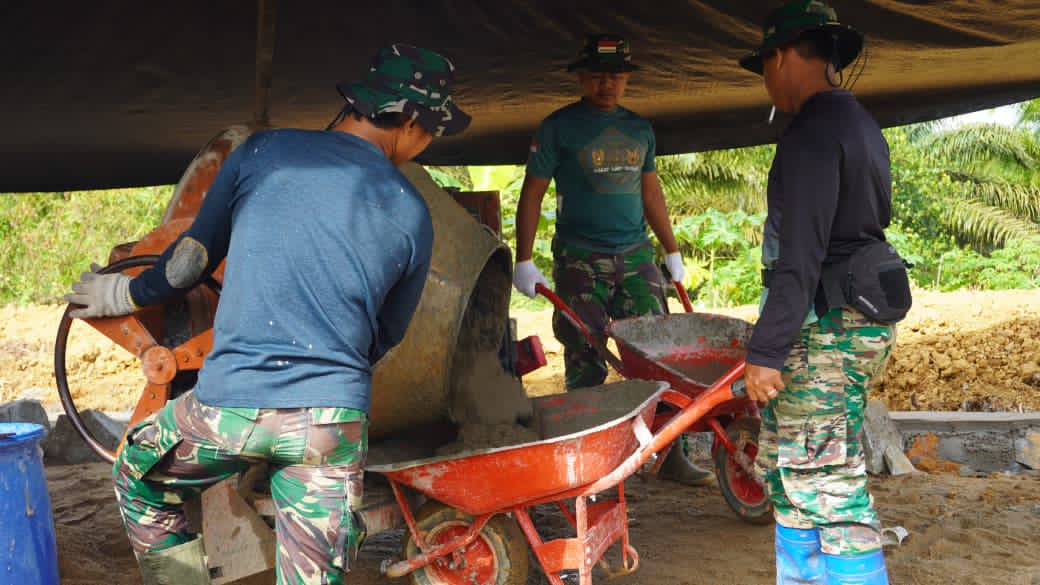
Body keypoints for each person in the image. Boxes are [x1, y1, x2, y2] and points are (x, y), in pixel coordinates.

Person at [63, 44, 470, 585]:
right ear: (412, 121)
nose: (426, 144)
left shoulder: (264, 153)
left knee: (137, 474)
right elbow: (387, 334)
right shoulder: (412, 211)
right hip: (329, 427)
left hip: (227, 411)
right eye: (432, 132)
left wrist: (126, 296)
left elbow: (191, 262)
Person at [739, 2, 908, 583]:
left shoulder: (811, 135)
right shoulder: (861, 124)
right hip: (853, 322)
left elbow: (801, 258)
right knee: (794, 476)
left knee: (829, 485)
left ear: (780, 57)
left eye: (763, 67)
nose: (767, 83)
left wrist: (764, 352)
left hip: (825, 334)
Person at [511, 33, 714, 487]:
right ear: (582, 77)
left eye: (616, 75)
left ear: (627, 78)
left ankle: (671, 454)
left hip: (636, 253)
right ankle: (586, 466)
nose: (608, 84)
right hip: (579, 257)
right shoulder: (557, 128)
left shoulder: (640, 129)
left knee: (657, 353)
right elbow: (533, 192)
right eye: (598, 75)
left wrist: (672, 249)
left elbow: (651, 191)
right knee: (585, 354)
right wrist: (523, 258)